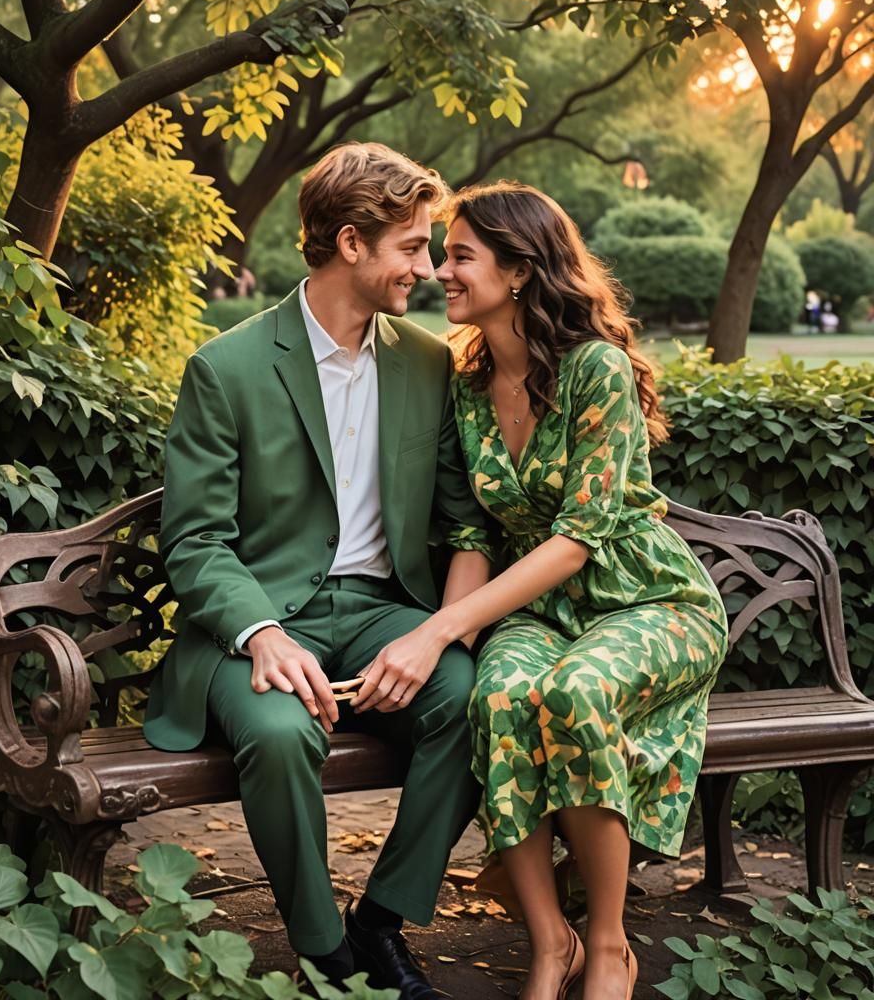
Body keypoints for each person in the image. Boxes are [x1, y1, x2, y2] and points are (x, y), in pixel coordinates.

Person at [353, 181, 728, 1000]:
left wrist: (439, 629)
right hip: (535, 610)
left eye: (460, 256)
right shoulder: (465, 382)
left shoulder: (595, 369)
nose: (441, 272)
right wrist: (455, 639)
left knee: (575, 692)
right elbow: (471, 532)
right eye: (440, 255)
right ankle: (547, 940)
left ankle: (606, 944)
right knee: (496, 696)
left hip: (645, 599)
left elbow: (577, 539)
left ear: (520, 269)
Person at [143, 143, 492, 999]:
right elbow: (193, 540)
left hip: (382, 609)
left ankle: (381, 923)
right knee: (279, 730)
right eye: (412, 246)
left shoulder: (425, 360)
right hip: (255, 619)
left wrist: (438, 636)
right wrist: (261, 632)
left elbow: (462, 519)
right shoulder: (224, 369)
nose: (430, 266)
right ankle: (325, 950)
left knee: (472, 696)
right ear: (349, 243)